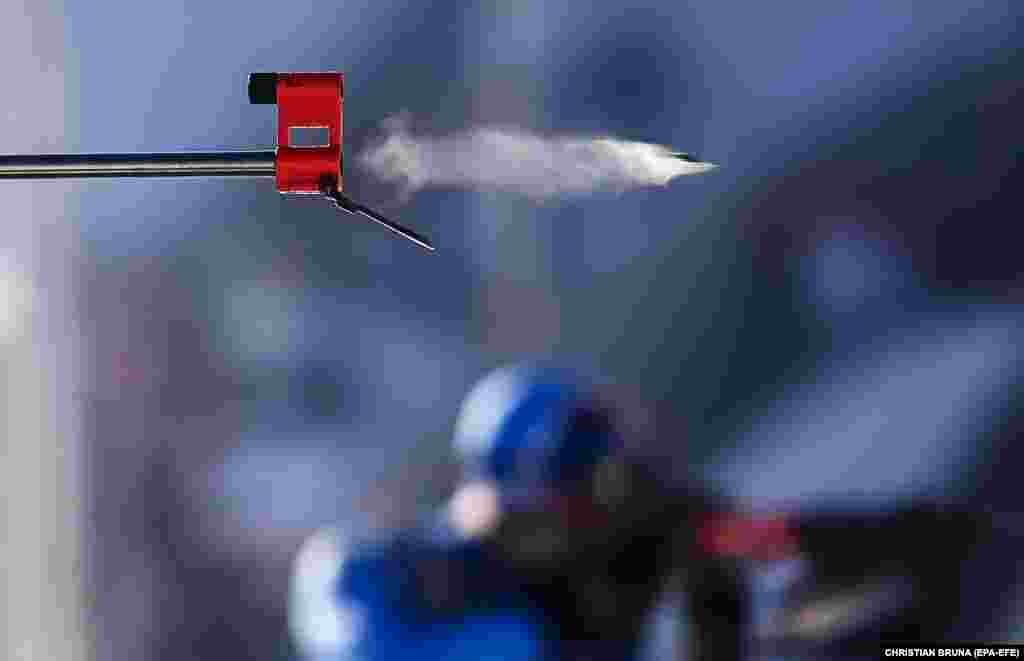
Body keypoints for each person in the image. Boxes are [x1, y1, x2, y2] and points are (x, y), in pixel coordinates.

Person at [289, 363, 750, 661]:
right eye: (579, 492)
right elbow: (345, 618)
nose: (600, 513)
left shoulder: (642, 547)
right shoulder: (395, 574)